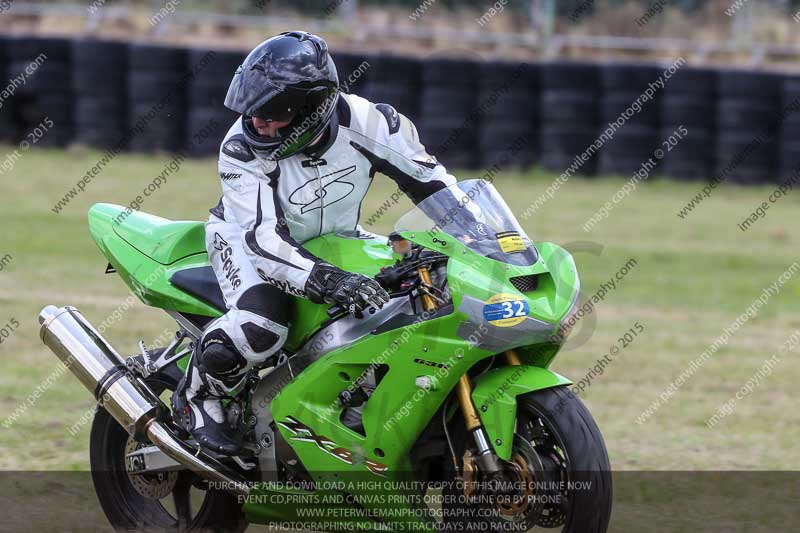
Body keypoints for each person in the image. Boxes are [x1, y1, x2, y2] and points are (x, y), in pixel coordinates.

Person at [173, 31, 458, 454]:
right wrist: (328, 281)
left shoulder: (371, 122)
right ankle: (197, 398)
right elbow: (264, 241)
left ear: (312, 108)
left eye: (270, 112)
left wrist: (494, 240)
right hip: (245, 240)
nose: (256, 122)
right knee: (262, 326)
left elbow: (436, 185)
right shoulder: (241, 149)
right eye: (251, 110)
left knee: (419, 295)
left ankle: (364, 407)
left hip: (336, 240)